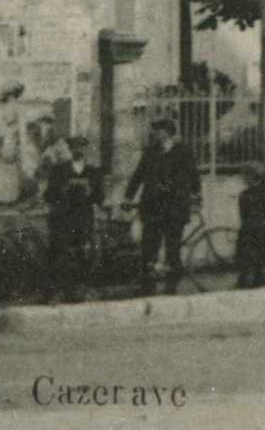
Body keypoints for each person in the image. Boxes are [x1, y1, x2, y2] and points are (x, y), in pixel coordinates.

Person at [122, 119, 199, 295]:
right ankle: (147, 286)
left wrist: (192, 197)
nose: (155, 133)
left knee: (173, 249)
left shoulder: (184, 152)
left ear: (168, 132)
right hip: (152, 207)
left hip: (174, 207)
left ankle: (171, 286)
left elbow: (193, 177)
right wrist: (128, 196)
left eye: (159, 130)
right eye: (155, 130)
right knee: (148, 248)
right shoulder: (150, 152)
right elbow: (138, 176)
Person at [43, 136, 103, 303]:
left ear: (86, 149)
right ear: (70, 149)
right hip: (64, 219)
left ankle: (83, 289)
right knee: (62, 254)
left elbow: (100, 197)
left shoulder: (93, 172)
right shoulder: (59, 170)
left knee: (85, 255)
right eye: (75, 147)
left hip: (84, 220)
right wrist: (62, 191)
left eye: (82, 147)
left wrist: (90, 191)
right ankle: (61, 291)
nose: (79, 151)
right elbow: (48, 195)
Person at [235, 163, 265, 289]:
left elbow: (244, 215)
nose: (244, 180)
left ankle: (247, 286)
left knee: (249, 266)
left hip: (250, 234)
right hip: (263, 234)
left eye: (246, 177)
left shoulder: (245, 196)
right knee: (259, 266)